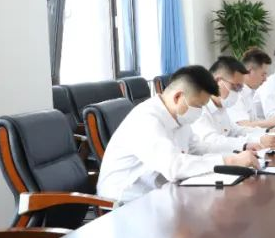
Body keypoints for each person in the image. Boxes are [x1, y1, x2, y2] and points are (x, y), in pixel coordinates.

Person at [97, 65, 259, 202]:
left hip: (159, 191)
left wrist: (240, 150)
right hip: (125, 202)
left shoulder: (179, 116)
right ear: (178, 97)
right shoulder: (145, 120)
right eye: (198, 105)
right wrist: (229, 161)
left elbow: (197, 148)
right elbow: (174, 166)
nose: (200, 111)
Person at [194, 56, 275, 151]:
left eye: (240, 88)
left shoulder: (221, 107)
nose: (236, 92)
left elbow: (236, 130)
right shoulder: (199, 109)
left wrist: (264, 135)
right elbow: (212, 141)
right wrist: (245, 145)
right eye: (235, 87)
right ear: (218, 81)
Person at [228, 48, 275, 129]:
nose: (265, 79)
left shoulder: (249, 92)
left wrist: (270, 129)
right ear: (249, 71)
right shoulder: (235, 93)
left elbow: (253, 122)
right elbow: (243, 125)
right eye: (263, 74)